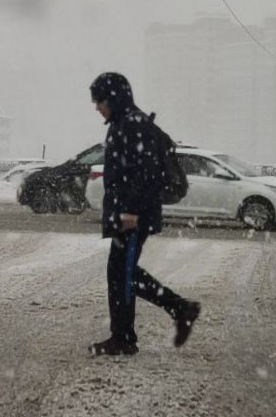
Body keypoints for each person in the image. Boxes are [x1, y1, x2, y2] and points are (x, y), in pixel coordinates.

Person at [88, 72, 200, 357]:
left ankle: (128, 336)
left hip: (133, 216)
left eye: (99, 101)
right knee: (121, 273)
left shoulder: (133, 124)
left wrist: (131, 211)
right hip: (127, 213)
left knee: (122, 273)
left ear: (113, 98)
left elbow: (146, 175)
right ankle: (176, 310)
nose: (97, 107)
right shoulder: (123, 123)